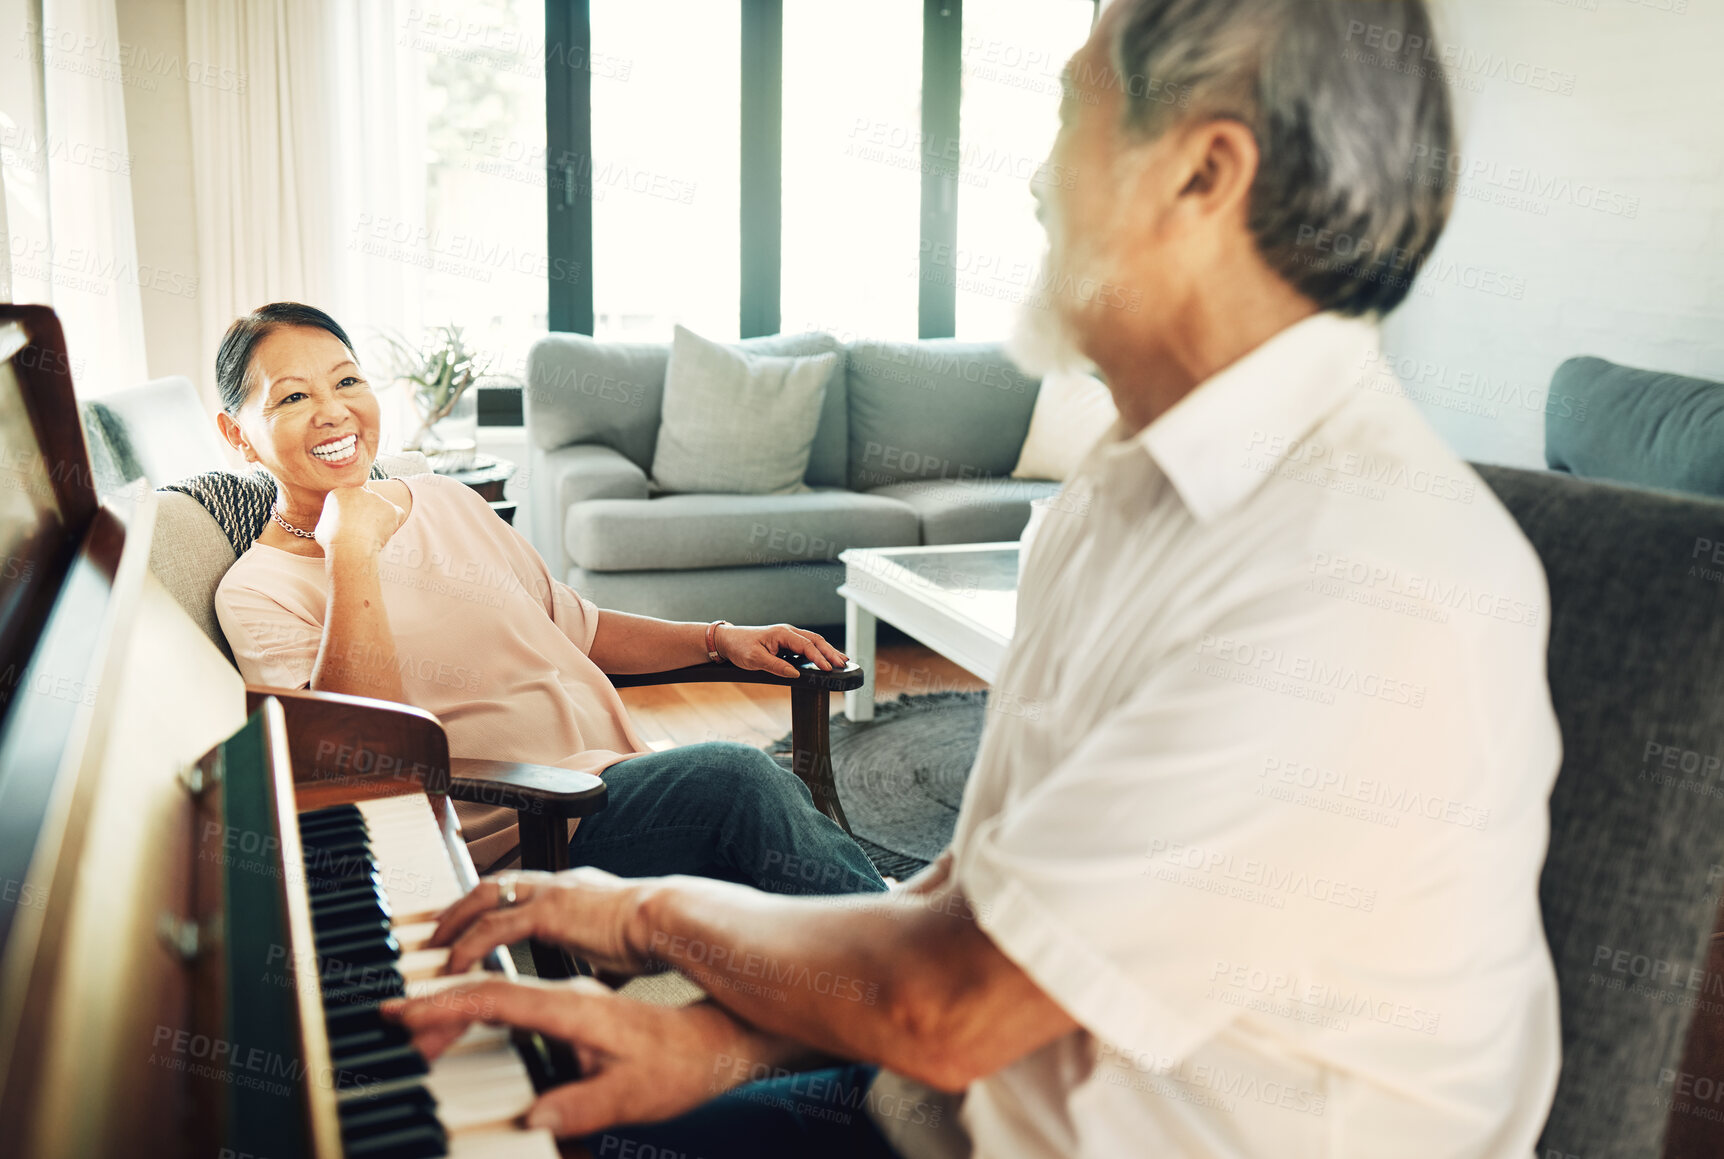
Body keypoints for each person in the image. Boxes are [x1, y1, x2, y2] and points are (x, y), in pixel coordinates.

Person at [386, 1, 1564, 1156]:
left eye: (1068, 114)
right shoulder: (1117, 491)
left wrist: (647, 913)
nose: (1038, 182)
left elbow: (952, 1002)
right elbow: (965, 896)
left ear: (1202, 174)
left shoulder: (1350, 583)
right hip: (933, 1105)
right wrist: (715, 1042)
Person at [212, 301, 884, 898]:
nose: (334, 410)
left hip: (622, 783)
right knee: (740, 779)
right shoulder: (255, 592)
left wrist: (718, 636)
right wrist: (351, 550)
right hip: (531, 839)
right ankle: (914, 974)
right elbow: (361, 761)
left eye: (347, 380)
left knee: (765, 820)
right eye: (292, 397)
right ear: (237, 434)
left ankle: (881, 962)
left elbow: (577, 627)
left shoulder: (447, 499)